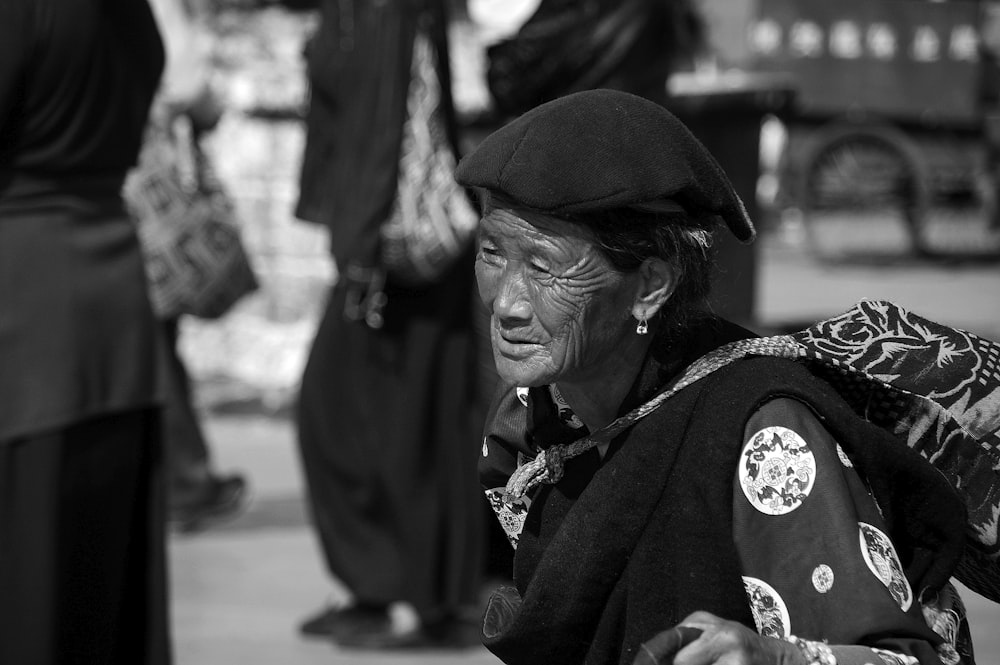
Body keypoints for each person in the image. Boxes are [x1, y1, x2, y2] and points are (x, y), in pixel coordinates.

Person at [454, 89, 974, 665]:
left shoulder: (768, 442)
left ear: (650, 287)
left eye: (543, 268)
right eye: (492, 254)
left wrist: (775, 657)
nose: (506, 305)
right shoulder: (529, 419)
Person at [291, 0, 489, 648]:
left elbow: (401, 123)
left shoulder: (378, 10)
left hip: (393, 243)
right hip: (395, 240)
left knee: (357, 414)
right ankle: (405, 594)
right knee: (405, 414)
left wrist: (359, 242)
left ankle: (409, 595)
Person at [0, 1, 171, 663]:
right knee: (98, 581)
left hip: (23, 306)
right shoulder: (129, 13)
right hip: (109, 301)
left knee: (30, 581)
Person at [144, 0, 249, 532]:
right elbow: (189, 89)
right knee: (154, 345)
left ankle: (180, 480)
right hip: (144, 198)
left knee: (150, 343)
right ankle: (184, 482)